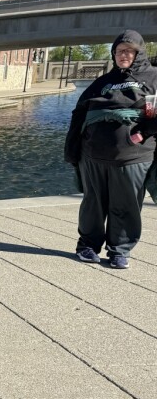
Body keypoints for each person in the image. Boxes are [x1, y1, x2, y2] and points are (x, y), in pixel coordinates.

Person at [64, 29, 157, 270]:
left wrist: (142, 133)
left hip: (133, 156)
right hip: (93, 155)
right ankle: (87, 245)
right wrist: (72, 149)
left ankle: (119, 250)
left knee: (126, 205)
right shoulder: (102, 82)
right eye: (119, 51)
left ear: (139, 53)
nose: (123, 55)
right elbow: (79, 114)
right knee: (92, 203)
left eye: (129, 50)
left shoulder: (152, 79)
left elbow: (154, 115)